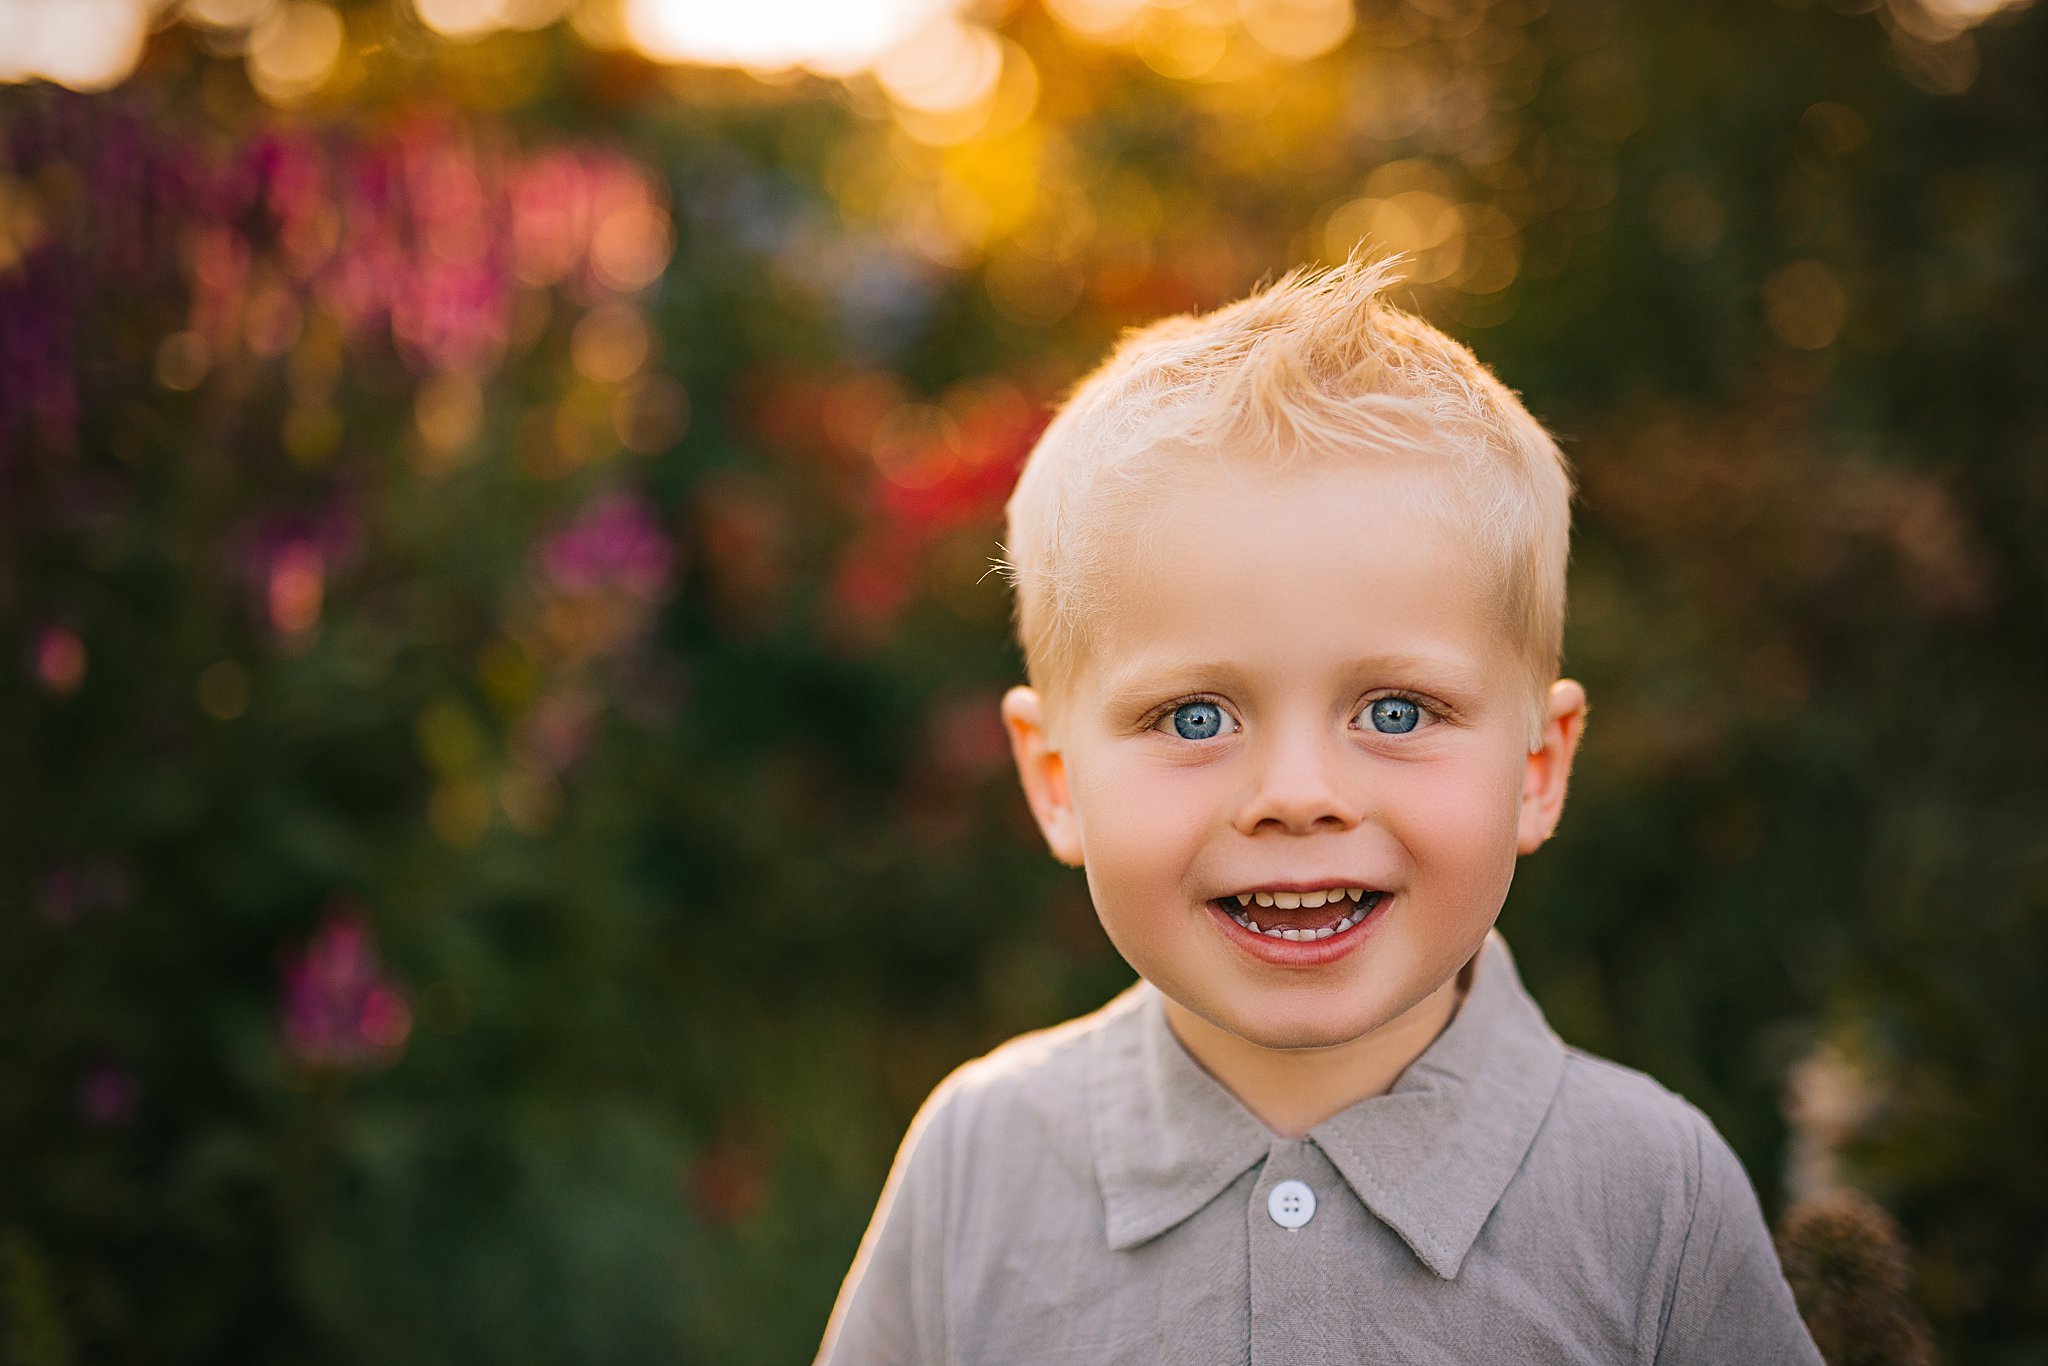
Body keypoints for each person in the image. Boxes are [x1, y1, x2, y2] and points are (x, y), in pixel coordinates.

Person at [816, 257, 1823, 1364]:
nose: (1297, 795)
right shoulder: (980, 1160)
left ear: (1537, 764)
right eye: (1195, 719)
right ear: (1054, 780)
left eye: (1394, 709)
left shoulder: (1651, 1194)